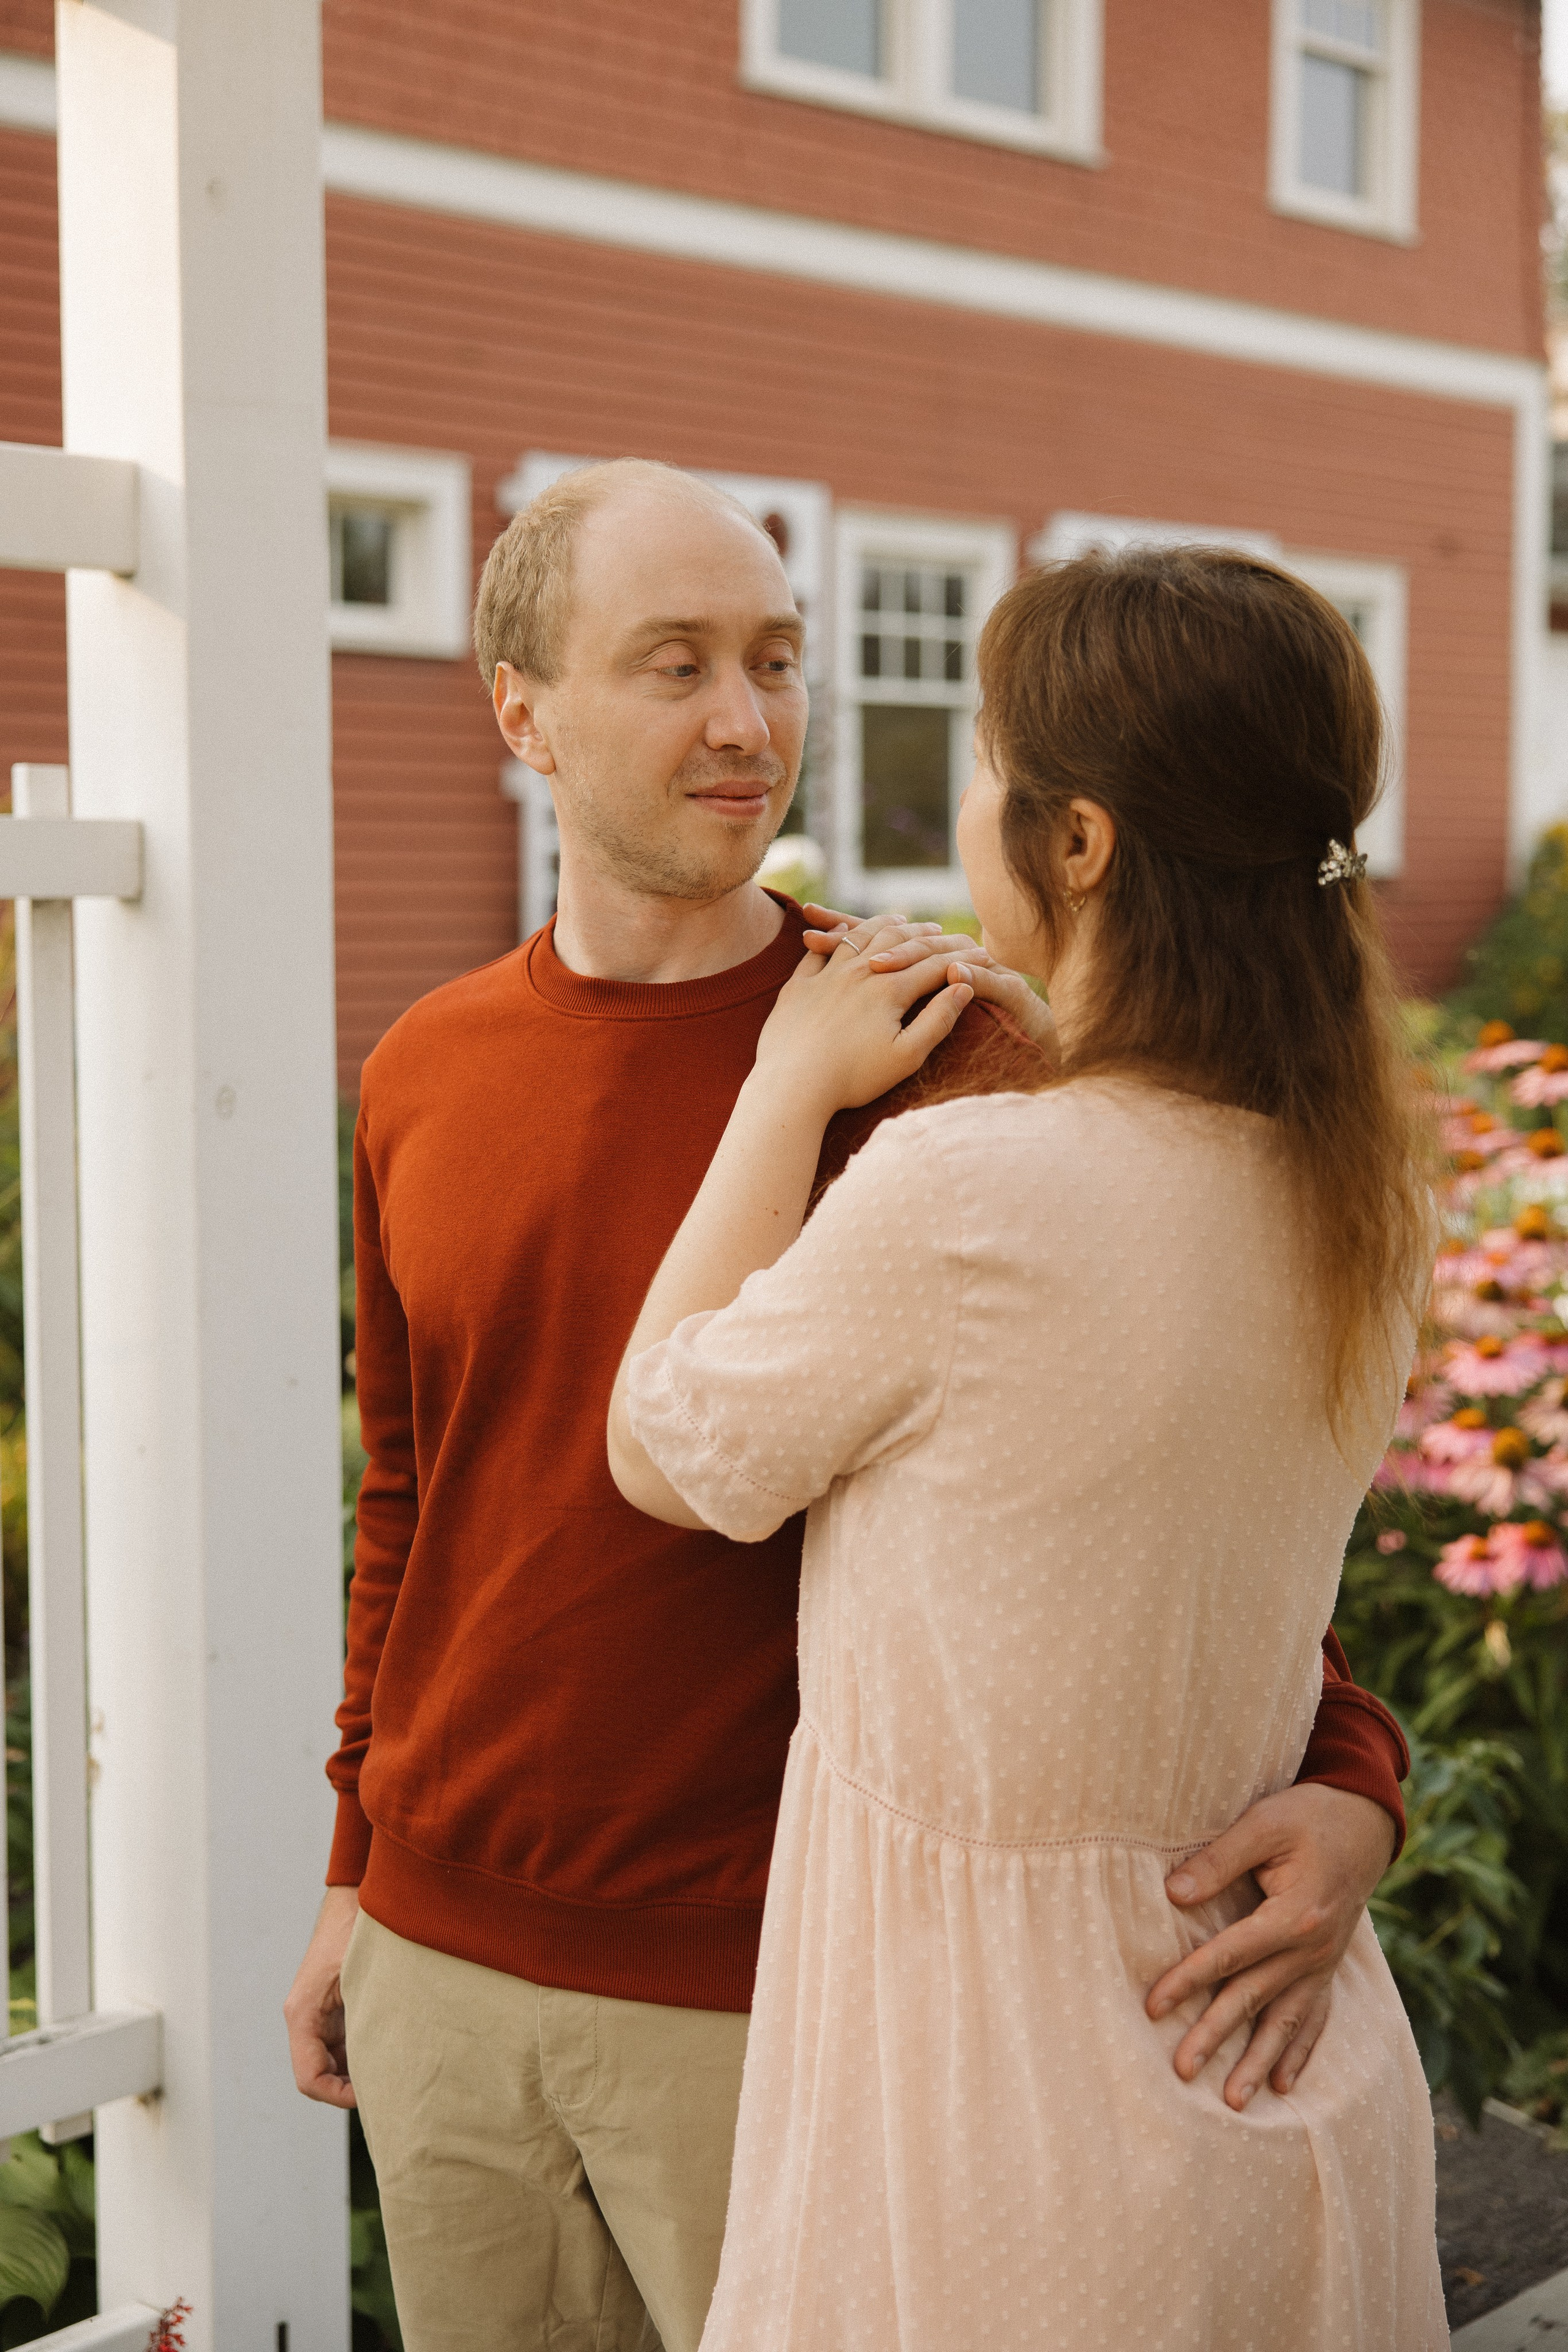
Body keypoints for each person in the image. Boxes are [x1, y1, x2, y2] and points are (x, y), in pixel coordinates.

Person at [284, 464, 1414, 2352]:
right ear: (522, 714)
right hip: (443, 1965)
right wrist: (354, 1876)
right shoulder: (424, 1069)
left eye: (780, 660)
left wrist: (1355, 1769)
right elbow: (413, 1499)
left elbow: (1189, 1499)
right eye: (675, 665)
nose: (748, 722)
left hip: (798, 2002)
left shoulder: (959, 1067)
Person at [608, 544, 1444, 2349]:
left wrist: (784, 1088)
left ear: (1080, 844)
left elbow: (670, 1447)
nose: (970, 804)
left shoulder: (975, 1194)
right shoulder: (1356, 1188)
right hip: (1272, 2063)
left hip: (1006, 2127)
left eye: (991, 766)